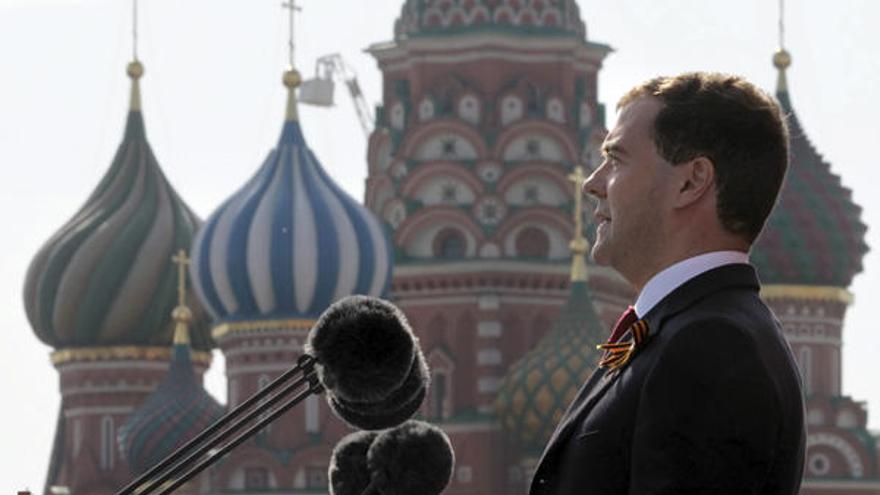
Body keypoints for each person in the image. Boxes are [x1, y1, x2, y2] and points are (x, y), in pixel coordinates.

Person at [530, 72, 805, 494]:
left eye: (617, 159)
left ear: (692, 181)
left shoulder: (711, 344)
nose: (592, 183)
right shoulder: (686, 331)